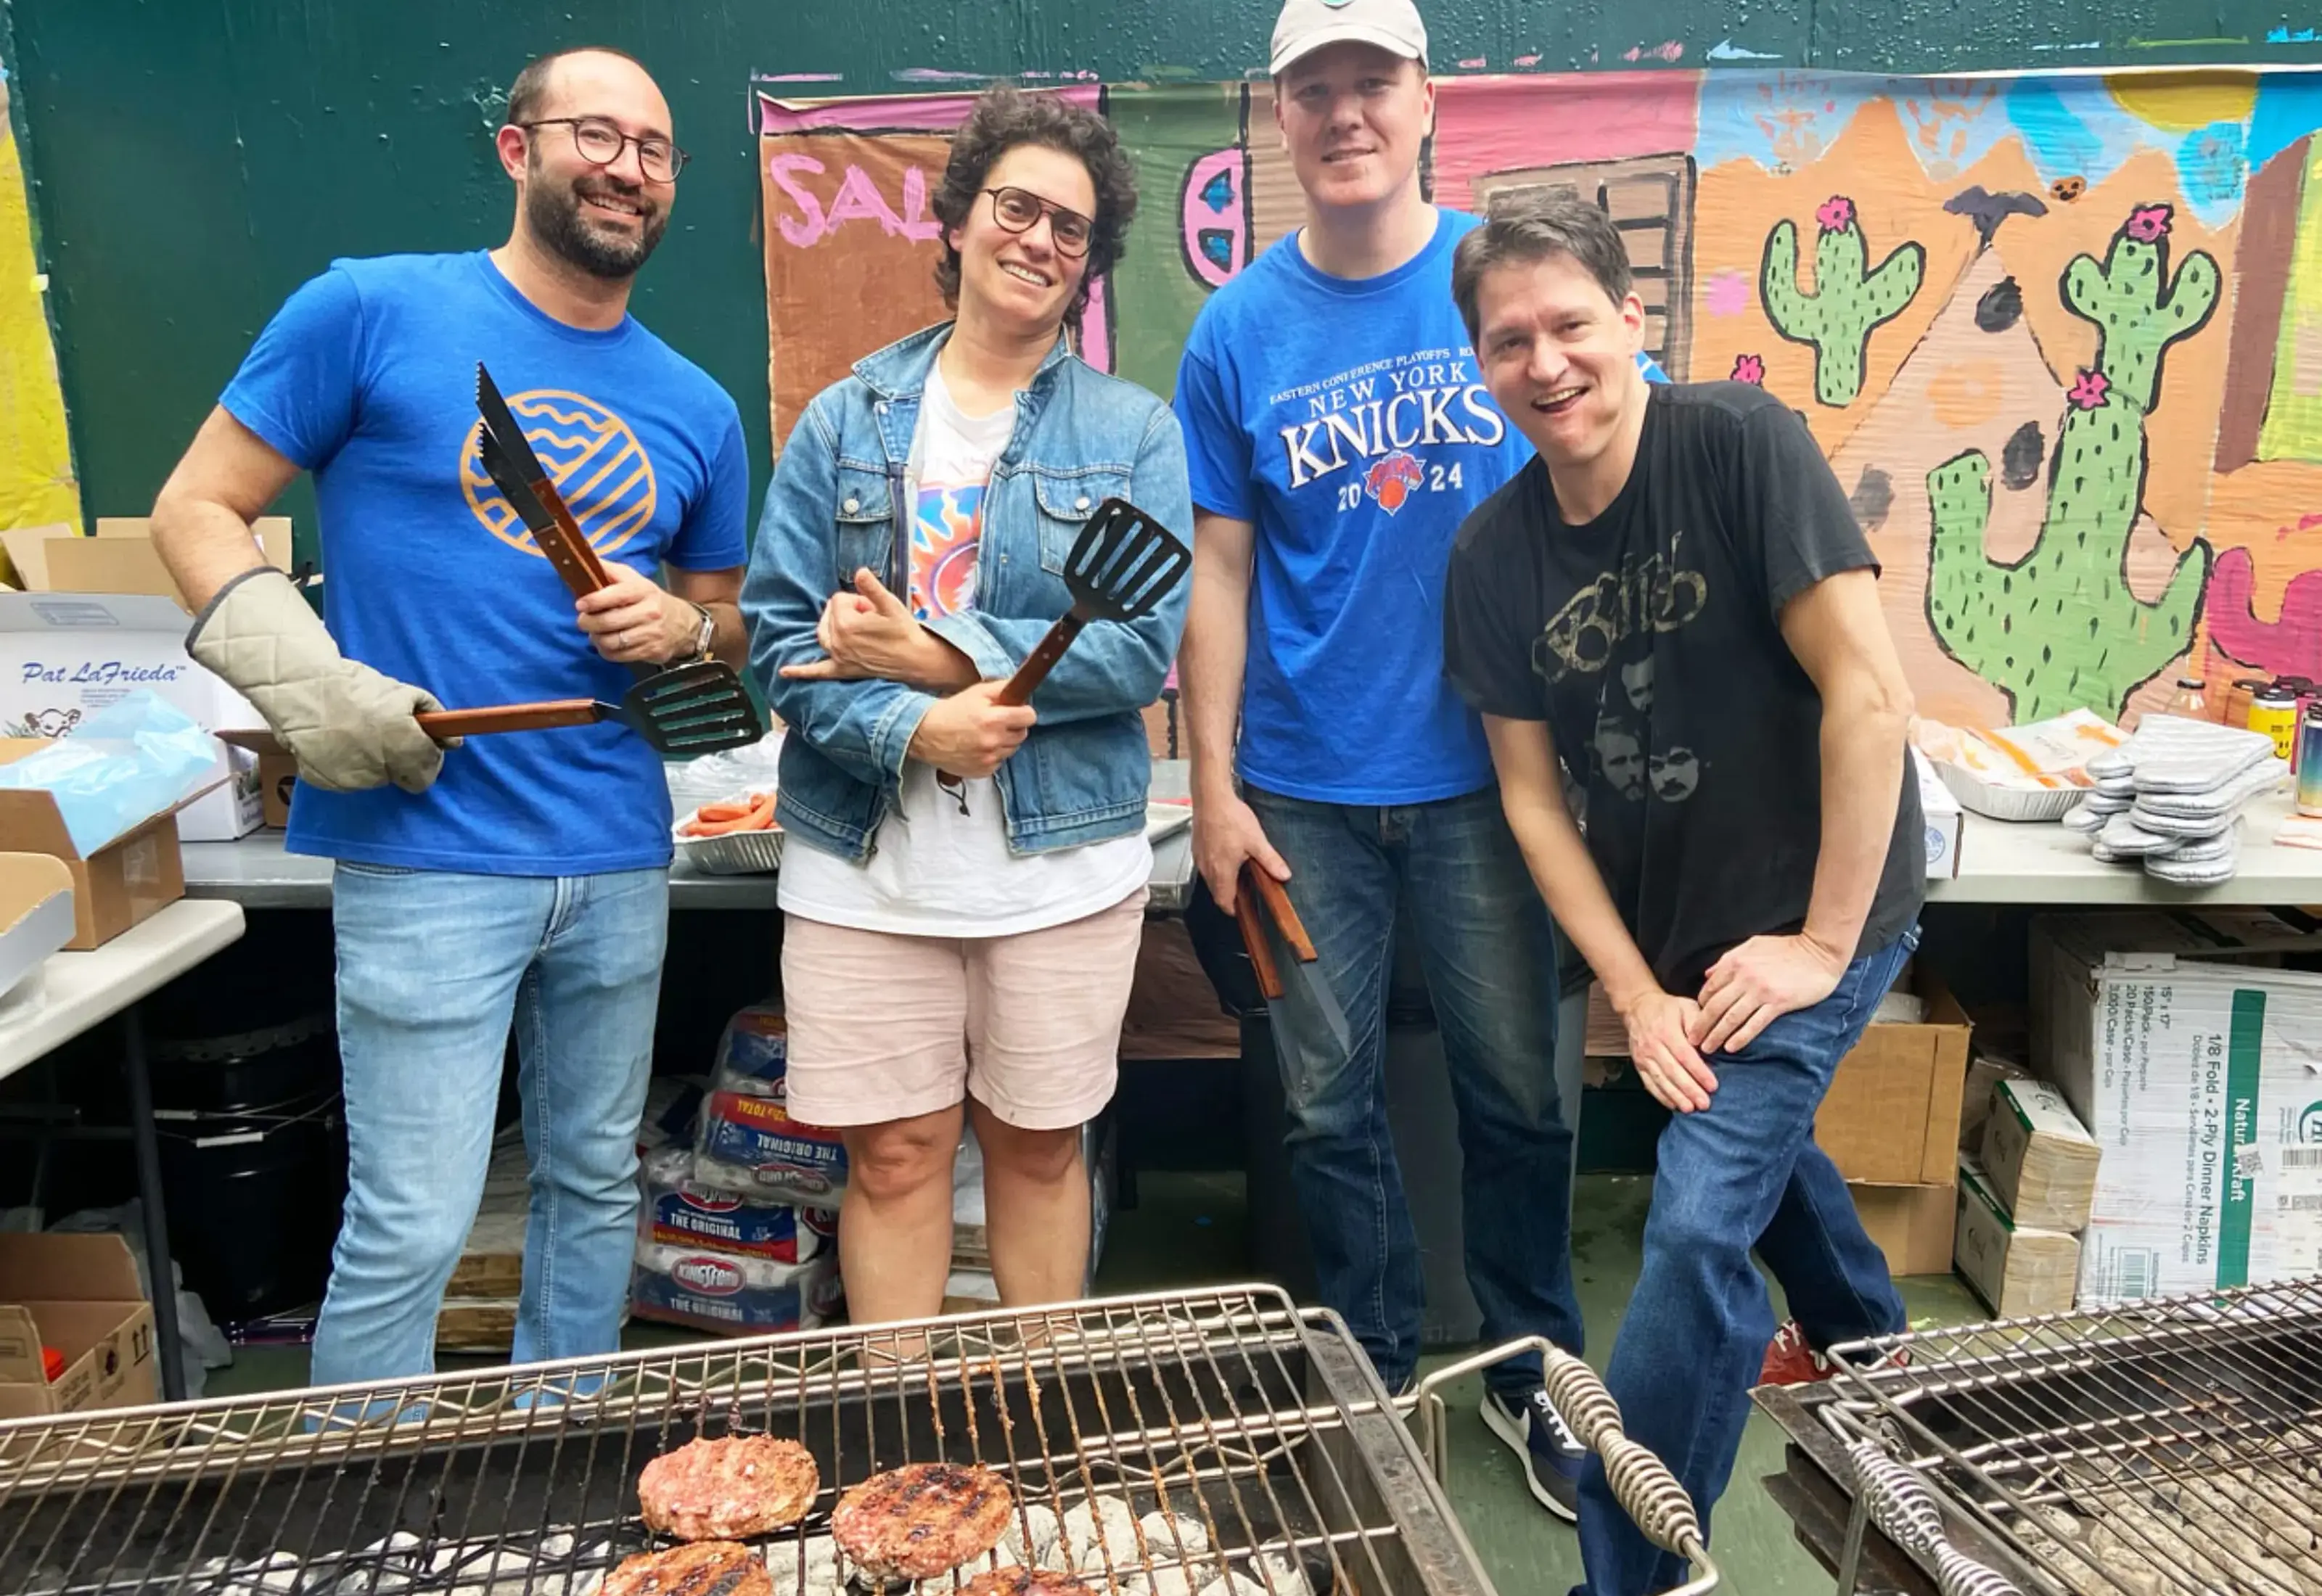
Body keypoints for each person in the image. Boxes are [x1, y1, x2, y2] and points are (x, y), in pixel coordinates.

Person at [150, 46, 748, 1389]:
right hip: (425, 854)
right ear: (517, 147)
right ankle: (361, 1519)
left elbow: (728, 629)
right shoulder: (367, 311)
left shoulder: (698, 406)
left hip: (613, 845)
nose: (629, 169)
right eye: (599, 133)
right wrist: (318, 695)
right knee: (413, 1218)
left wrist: (684, 627)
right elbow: (197, 508)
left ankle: (553, 1463)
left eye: (657, 151)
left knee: (595, 1185)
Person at [1169, 0, 1660, 1520]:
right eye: (1312, 90)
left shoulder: (1504, 293)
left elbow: (1607, 505)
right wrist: (1211, 793)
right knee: (1325, 1106)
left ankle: (1533, 1383)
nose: (1343, 115)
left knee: (1520, 1098)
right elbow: (1222, 573)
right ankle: (1376, 1382)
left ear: (1425, 99)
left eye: (1369, 84)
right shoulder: (1235, 328)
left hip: (1496, 788)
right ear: (1279, 114)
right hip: (1304, 789)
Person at [1440, 192, 1924, 1595]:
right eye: (1509, 339)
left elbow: (1870, 694)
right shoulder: (1492, 557)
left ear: (1633, 322)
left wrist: (1823, 945)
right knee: (1761, 1168)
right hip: (1682, 953)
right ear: (1482, 362)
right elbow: (1534, 801)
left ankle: (1626, 1581)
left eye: (1572, 324)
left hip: (1827, 910)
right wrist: (1636, 991)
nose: (1547, 363)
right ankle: (1885, 1367)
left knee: (1698, 1222)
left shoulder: (1739, 446)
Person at [741, 86, 1189, 1330]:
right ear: (958, 218)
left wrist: (938, 658)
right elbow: (780, 643)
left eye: (1070, 229)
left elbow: (1140, 642)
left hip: (1056, 868)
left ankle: (1036, 1456)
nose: (1039, 241)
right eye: (1017, 208)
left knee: (1041, 1154)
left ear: (1090, 265)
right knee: (892, 1157)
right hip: (865, 867)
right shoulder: (844, 422)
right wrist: (912, 730)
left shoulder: (1135, 433)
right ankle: (907, 1453)